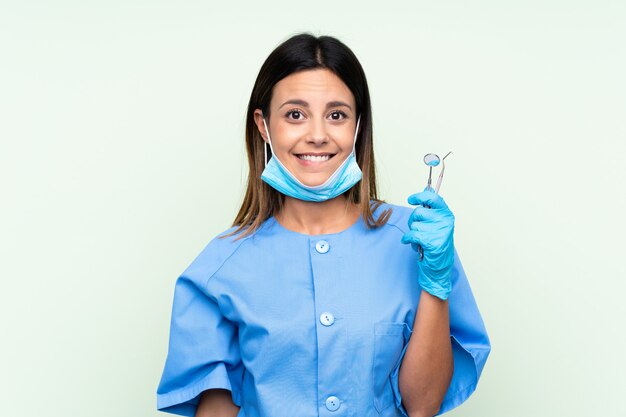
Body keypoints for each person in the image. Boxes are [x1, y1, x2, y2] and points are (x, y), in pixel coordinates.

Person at [156, 33, 490, 417]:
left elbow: (422, 405)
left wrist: (435, 284)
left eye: (337, 115)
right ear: (264, 126)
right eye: (295, 114)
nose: (317, 135)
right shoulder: (219, 269)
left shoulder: (416, 242)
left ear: (358, 125)